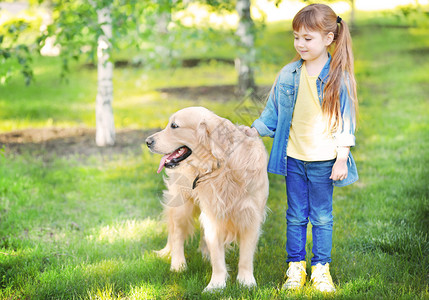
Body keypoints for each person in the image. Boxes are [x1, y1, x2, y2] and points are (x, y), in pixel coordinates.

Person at [243, 3, 359, 293]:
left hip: (324, 160)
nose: (300, 44)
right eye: (296, 37)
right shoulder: (287, 75)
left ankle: (321, 268)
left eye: (308, 38)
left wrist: (341, 159)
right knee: (295, 215)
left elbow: (346, 122)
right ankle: (295, 267)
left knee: (321, 216)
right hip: (293, 158)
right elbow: (272, 113)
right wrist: (251, 130)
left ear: (328, 39)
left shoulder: (338, 77)